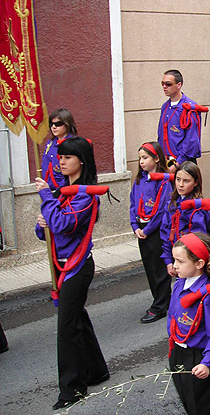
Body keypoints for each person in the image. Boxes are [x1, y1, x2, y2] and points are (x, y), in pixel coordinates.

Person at [34, 137, 109, 409]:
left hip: (77, 267)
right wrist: (42, 220)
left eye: (67, 157)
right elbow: (45, 231)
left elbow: (63, 225)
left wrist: (47, 203)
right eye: (60, 156)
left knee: (66, 328)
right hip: (61, 263)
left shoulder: (85, 195)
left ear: (81, 160)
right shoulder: (59, 191)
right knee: (76, 318)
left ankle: (72, 389)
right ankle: (97, 369)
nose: (61, 161)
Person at [168, 232, 210, 415]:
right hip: (178, 352)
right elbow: (173, 316)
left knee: (204, 407)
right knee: (188, 401)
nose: (175, 266)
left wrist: (206, 363)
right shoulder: (179, 284)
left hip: (198, 358)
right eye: (174, 260)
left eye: (180, 261)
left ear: (199, 264)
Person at [129, 141, 172, 323]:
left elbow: (162, 209)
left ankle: (161, 305)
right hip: (142, 229)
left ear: (156, 158)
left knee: (159, 269)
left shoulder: (164, 181)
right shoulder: (139, 180)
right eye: (139, 158)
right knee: (149, 268)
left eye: (145, 158)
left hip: (156, 231)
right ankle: (160, 300)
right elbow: (133, 204)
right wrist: (135, 226)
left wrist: (148, 229)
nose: (141, 162)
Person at [160, 161, 210, 276]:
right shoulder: (172, 204)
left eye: (186, 181)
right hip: (178, 261)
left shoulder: (198, 210)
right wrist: (169, 261)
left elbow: (200, 241)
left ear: (195, 183)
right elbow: (166, 233)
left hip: (193, 264)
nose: (180, 185)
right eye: (178, 179)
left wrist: (186, 263)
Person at [157, 69, 203, 171]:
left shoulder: (189, 108)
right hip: (166, 163)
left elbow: (192, 141)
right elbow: (161, 136)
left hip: (183, 163)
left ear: (178, 85)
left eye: (168, 84)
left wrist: (177, 164)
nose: (164, 87)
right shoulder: (165, 107)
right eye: (162, 83)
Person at [42, 108, 78, 190]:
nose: (53, 127)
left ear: (67, 124)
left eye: (58, 124)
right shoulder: (50, 143)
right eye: (51, 124)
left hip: (65, 190)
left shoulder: (73, 144)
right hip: (49, 190)